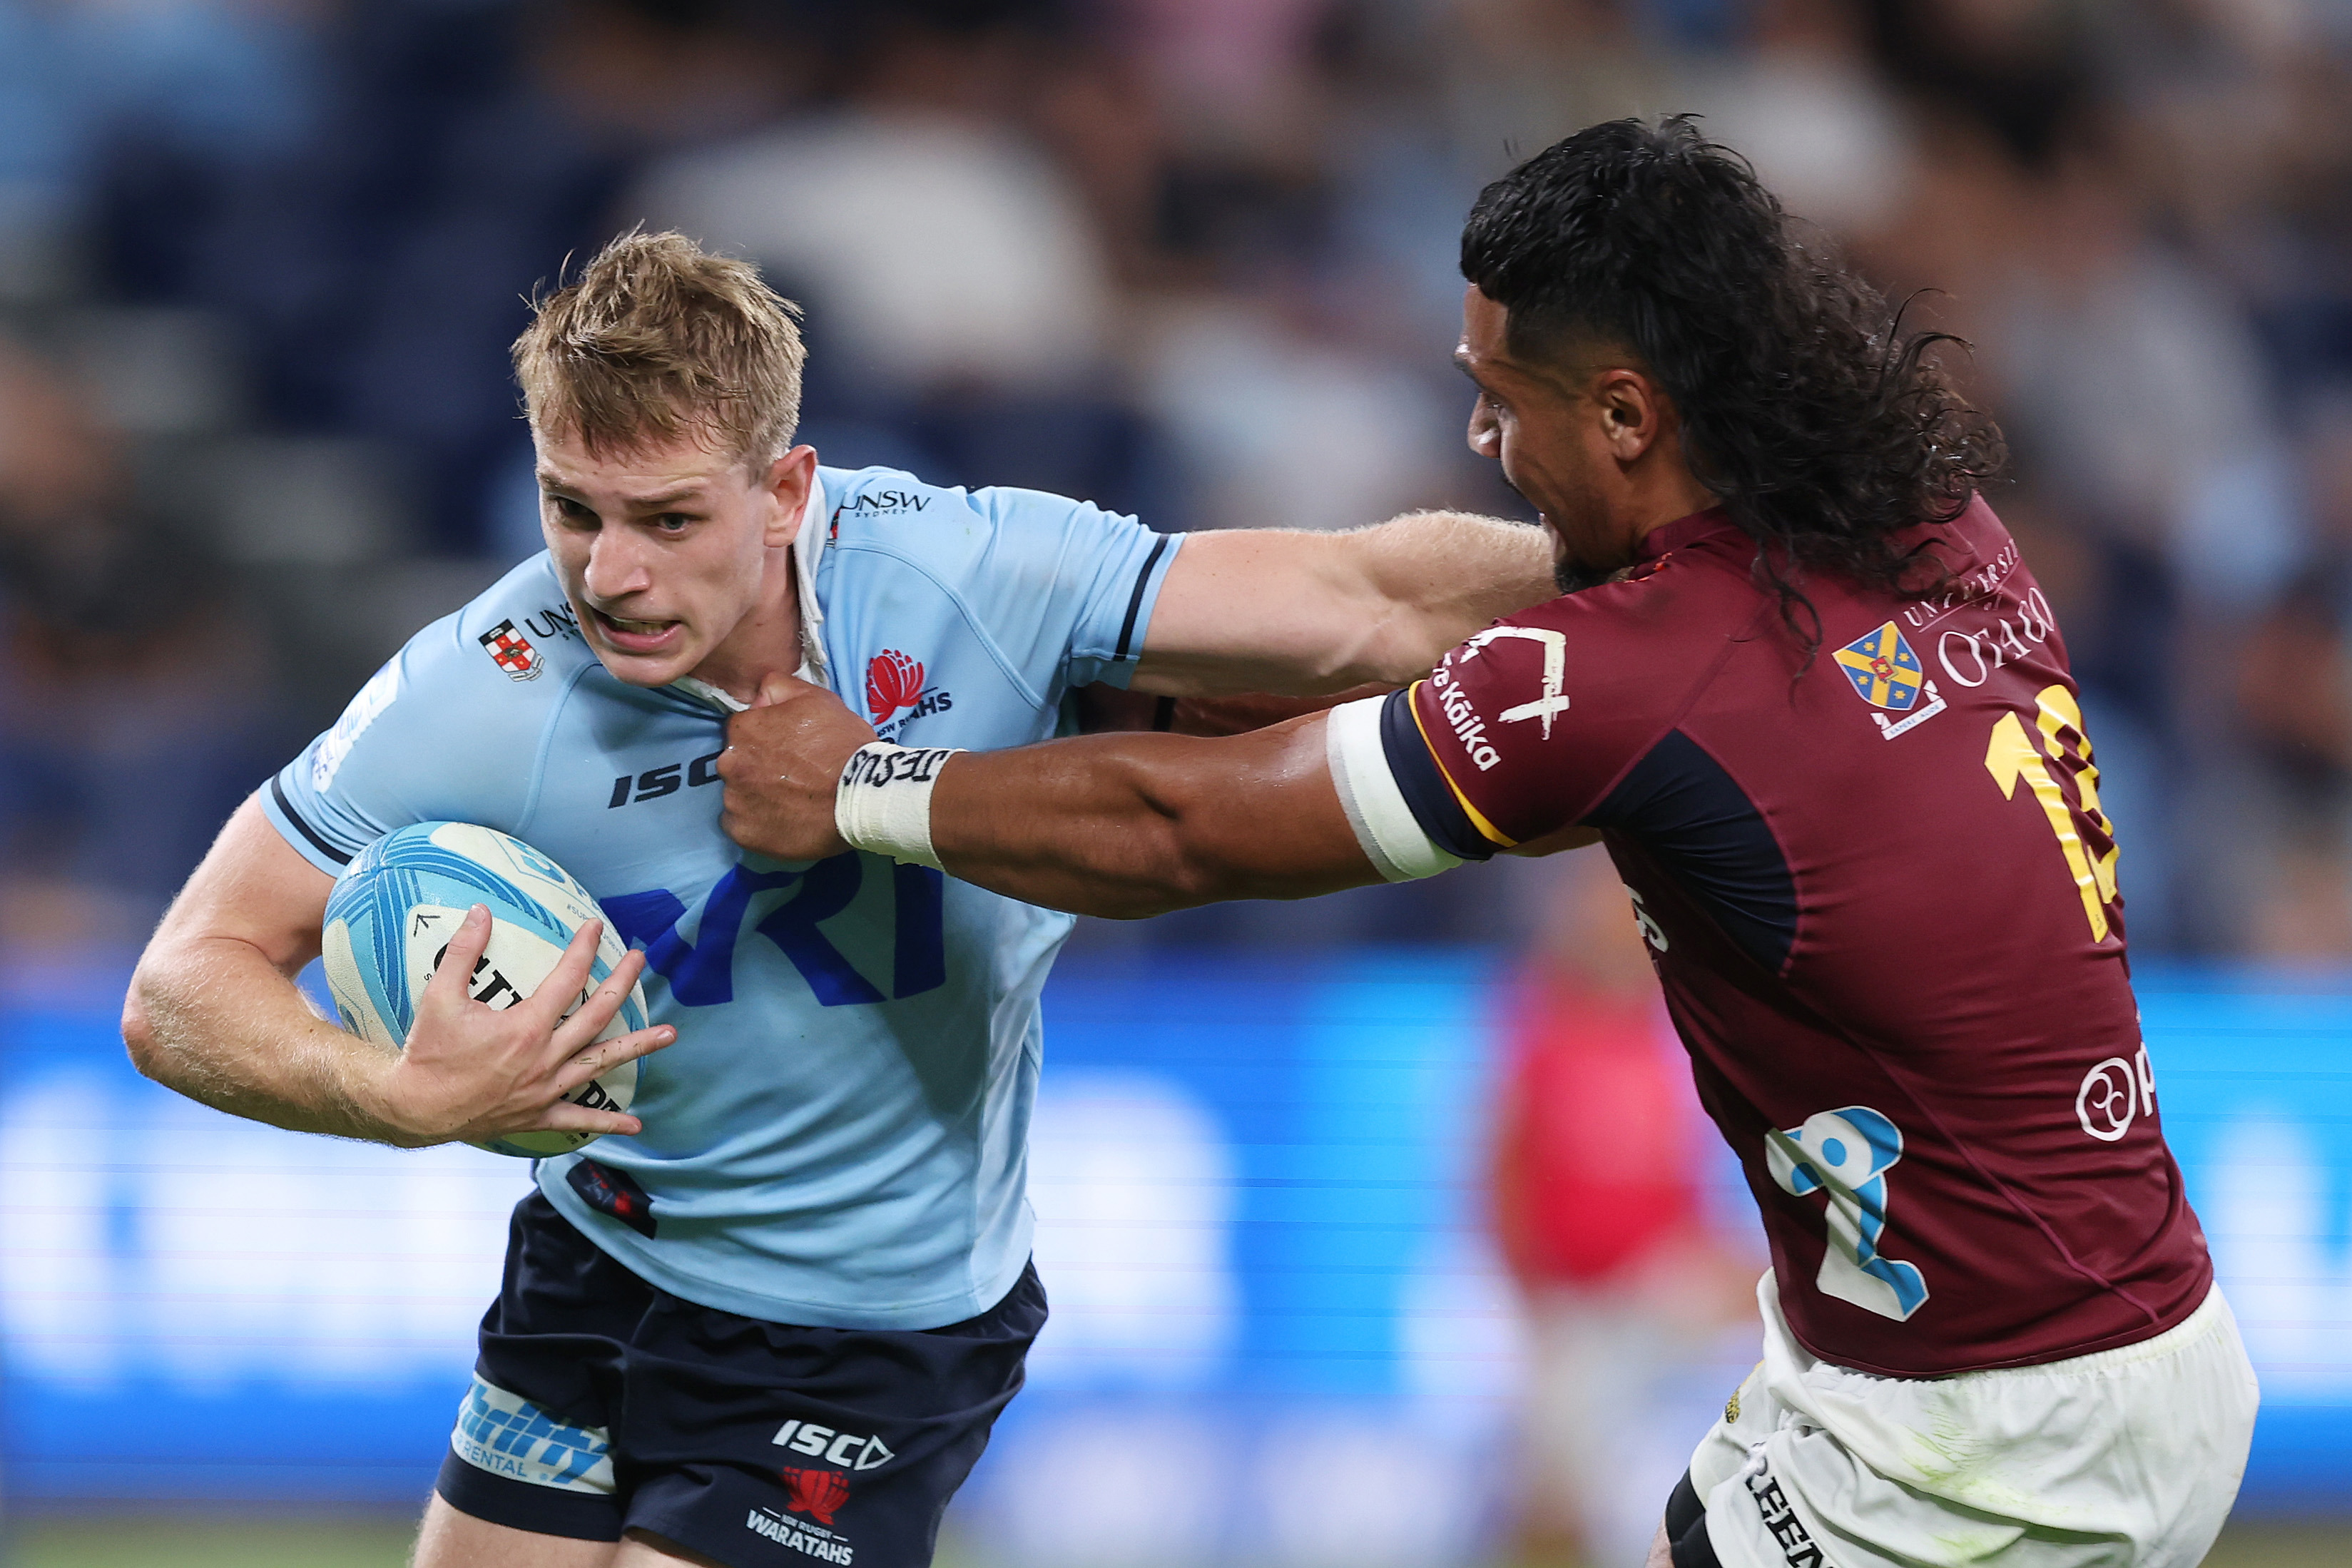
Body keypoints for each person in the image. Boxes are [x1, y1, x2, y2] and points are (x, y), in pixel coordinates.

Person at [720, 121, 2261, 1568]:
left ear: (1624, 415)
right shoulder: (1932, 528)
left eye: (1500, 397)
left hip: (1989, 1426)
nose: (1475, 431)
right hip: (2109, 1340)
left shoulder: (1645, 681)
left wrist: (866, 783)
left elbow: (1182, 829)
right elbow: (1562, 688)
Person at [121, 230, 1556, 1568]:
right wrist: (390, 1094)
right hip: (596, 1258)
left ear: (787, 489)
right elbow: (184, 977)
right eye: (573, 510)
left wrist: (1665, 577)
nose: (610, 574)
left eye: (670, 518)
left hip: (864, 1330)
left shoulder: (970, 575)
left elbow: (1376, 599)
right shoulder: (481, 686)